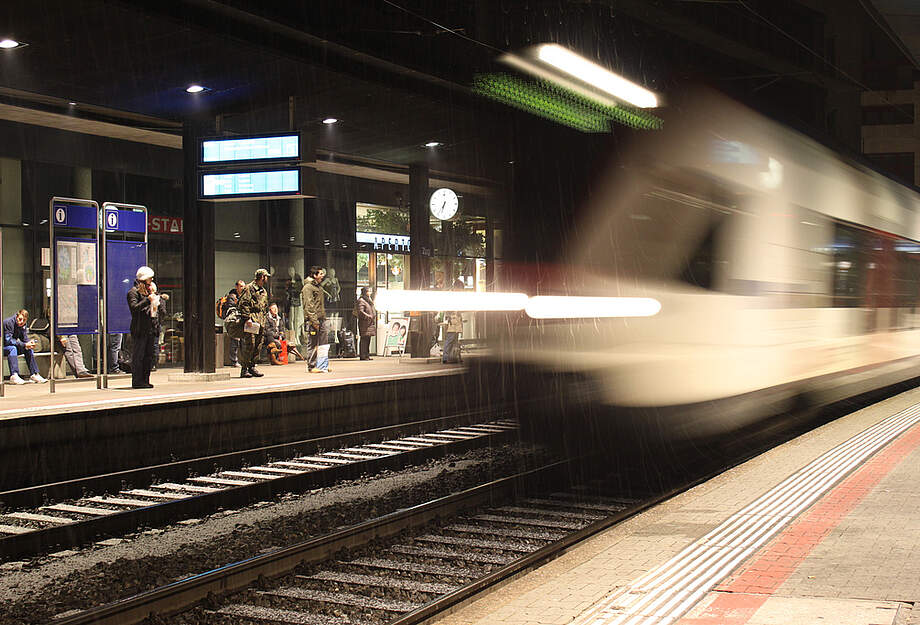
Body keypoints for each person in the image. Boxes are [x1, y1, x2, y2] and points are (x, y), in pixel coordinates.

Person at [127, 266, 158, 389]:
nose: (151, 281)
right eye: (149, 279)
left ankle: (145, 379)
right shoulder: (133, 292)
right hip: (139, 329)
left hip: (150, 328)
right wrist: (147, 300)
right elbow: (134, 308)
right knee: (138, 356)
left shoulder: (150, 291)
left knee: (148, 356)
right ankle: (137, 381)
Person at [238, 268, 269, 379]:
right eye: (266, 277)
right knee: (249, 344)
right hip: (251, 320)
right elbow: (243, 304)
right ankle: (244, 368)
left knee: (258, 344)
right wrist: (247, 318)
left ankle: (252, 366)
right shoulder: (249, 288)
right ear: (261, 277)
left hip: (260, 321)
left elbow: (264, 306)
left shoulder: (263, 291)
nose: (267, 279)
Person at [3, 309, 47, 384]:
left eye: (24, 320)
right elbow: (8, 340)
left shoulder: (23, 324)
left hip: (13, 345)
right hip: (3, 346)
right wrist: (24, 344)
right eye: (20, 319)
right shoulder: (8, 323)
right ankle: (14, 375)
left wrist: (29, 343)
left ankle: (34, 374)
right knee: (12, 349)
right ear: (16, 316)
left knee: (28, 349)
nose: (21, 322)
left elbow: (24, 338)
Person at [302, 265, 331, 373]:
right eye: (320, 273)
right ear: (314, 275)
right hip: (313, 320)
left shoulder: (319, 287)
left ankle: (322, 365)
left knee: (323, 343)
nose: (323, 275)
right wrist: (314, 321)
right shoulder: (308, 288)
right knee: (313, 343)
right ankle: (312, 365)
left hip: (322, 319)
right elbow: (309, 305)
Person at [441, 279, 464, 364]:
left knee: (455, 339)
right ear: (456, 287)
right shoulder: (450, 295)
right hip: (451, 320)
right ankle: (446, 357)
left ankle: (455, 356)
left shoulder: (455, 295)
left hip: (456, 319)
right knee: (450, 338)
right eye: (460, 289)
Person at [226, 280, 245, 367]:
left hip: (242, 320)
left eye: (243, 286)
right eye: (241, 286)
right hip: (234, 321)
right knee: (235, 341)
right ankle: (233, 361)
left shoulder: (243, 296)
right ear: (236, 287)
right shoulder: (232, 296)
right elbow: (231, 308)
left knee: (243, 341)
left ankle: (245, 361)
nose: (242, 288)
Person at [356, 286, 376, 360]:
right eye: (368, 291)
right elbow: (361, 311)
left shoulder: (368, 300)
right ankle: (363, 355)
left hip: (369, 323)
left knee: (368, 339)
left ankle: (367, 354)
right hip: (364, 323)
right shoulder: (361, 300)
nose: (370, 293)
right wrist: (369, 316)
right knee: (364, 339)